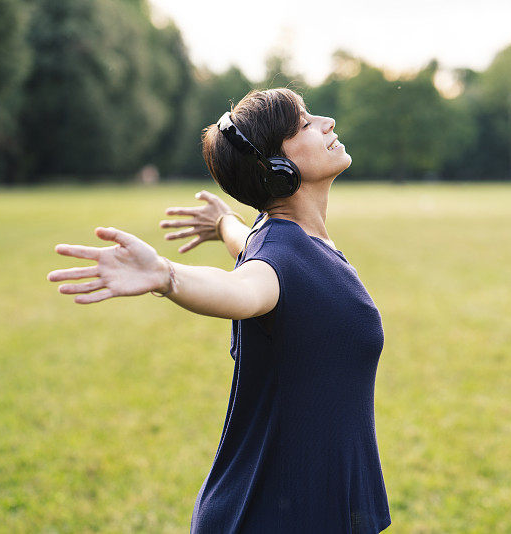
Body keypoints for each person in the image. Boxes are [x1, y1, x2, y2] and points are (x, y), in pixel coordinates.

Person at [46, 88, 392, 533]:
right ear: (278, 168)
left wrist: (223, 222)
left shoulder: (286, 240)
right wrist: (168, 275)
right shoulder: (277, 264)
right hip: (272, 513)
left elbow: (249, 246)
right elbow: (242, 287)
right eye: (305, 124)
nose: (327, 123)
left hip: (303, 503)